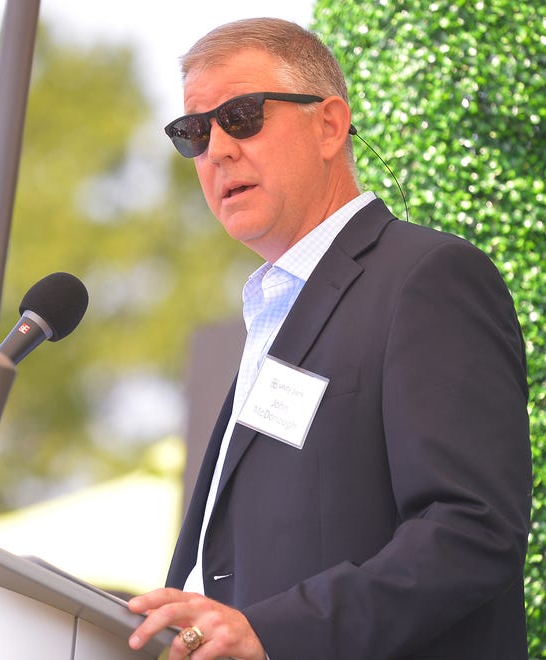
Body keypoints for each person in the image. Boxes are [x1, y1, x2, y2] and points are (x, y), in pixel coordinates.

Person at [127, 17, 532, 660]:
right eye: (194, 133)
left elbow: (472, 530)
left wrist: (274, 632)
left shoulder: (425, 277)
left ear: (329, 124)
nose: (219, 150)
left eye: (242, 115)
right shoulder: (275, 309)